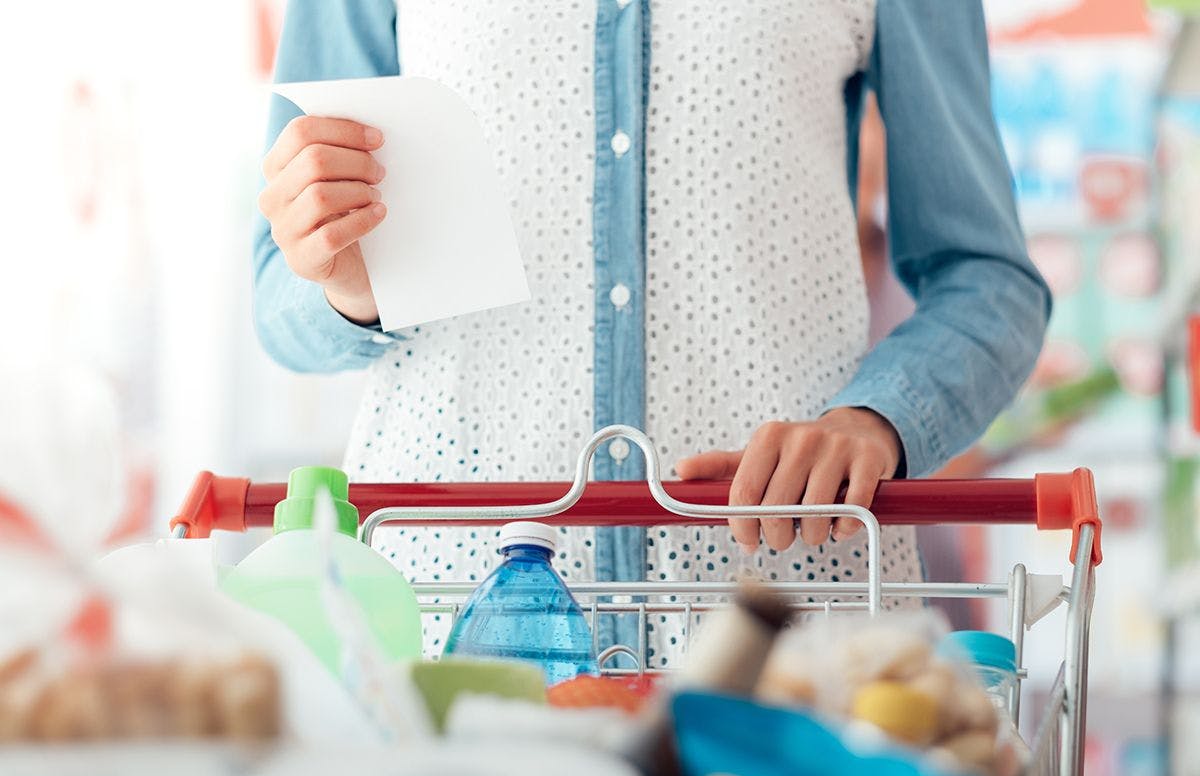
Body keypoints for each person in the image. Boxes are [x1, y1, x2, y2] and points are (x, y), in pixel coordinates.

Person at [253, 0, 1050, 661]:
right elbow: (278, 302)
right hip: (446, 617)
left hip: (783, 631)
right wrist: (345, 288)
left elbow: (987, 278)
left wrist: (875, 420)